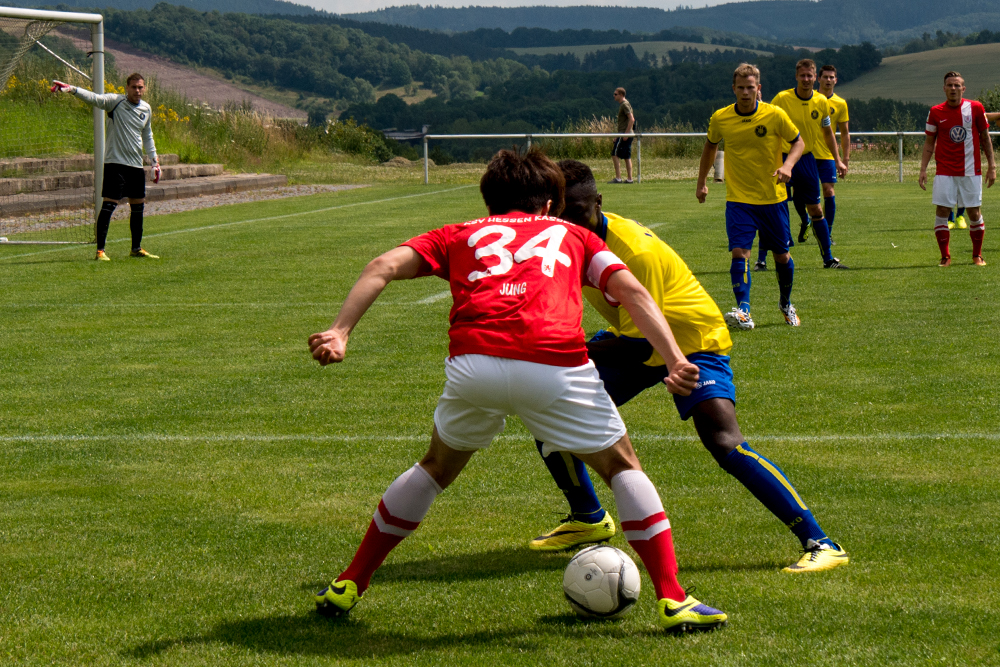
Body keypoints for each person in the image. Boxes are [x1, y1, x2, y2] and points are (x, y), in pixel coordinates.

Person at [308, 149, 728, 633]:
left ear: (489, 201)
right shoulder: (576, 235)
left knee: (436, 468)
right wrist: (675, 359)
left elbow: (382, 265)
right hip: (554, 365)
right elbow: (633, 292)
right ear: (551, 203)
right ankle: (673, 599)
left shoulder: (458, 234)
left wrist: (340, 331)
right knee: (621, 467)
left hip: (474, 366)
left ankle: (350, 583)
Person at [530, 158, 849, 575]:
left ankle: (821, 541)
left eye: (578, 211)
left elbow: (637, 342)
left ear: (598, 202)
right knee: (550, 407)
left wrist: (570, 350)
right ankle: (588, 517)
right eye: (559, 213)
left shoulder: (634, 251)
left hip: (691, 342)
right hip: (638, 340)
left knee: (723, 440)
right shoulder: (561, 242)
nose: (570, 221)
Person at [696, 63, 804, 331]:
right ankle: (744, 310)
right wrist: (701, 182)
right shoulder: (721, 118)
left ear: (759, 89)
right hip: (739, 199)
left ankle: (785, 303)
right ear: (733, 89)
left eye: (750, 87)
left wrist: (788, 165)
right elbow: (710, 147)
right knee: (739, 253)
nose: (746, 92)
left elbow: (798, 142)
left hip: (773, 198)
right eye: (741, 87)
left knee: (782, 256)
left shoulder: (774, 115)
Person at [52, 73, 160, 261]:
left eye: (140, 87)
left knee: (138, 207)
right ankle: (100, 250)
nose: (137, 91)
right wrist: (72, 89)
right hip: (115, 164)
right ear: (127, 87)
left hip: (135, 166)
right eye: (134, 87)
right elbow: (95, 98)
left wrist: (154, 161)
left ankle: (136, 248)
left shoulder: (146, 109)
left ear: (144, 88)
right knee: (109, 205)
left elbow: (148, 135)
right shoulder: (115, 102)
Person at [768, 59, 849, 270]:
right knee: (774, 206)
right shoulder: (782, 99)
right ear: (796, 77)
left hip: (806, 160)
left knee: (815, 208)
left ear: (815, 78)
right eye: (802, 75)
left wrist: (838, 159)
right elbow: (768, 126)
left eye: (809, 76)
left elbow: (828, 132)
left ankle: (828, 259)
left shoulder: (822, 102)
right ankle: (762, 259)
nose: (806, 79)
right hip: (783, 159)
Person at [919, 71, 997, 267]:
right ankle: (945, 257)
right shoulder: (935, 111)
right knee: (943, 210)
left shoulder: (976, 108)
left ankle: (977, 256)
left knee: (974, 212)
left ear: (963, 88)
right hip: (944, 171)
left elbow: (986, 138)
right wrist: (922, 169)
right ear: (944, 88)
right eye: (949, 85)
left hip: (971, 170)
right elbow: (929, 143)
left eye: (957, 85)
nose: (953, 89)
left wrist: (992, 166)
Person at [813, 64, 850, 246]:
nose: (828, 80)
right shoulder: (810, 99)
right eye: (825, 77)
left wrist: (844, 159)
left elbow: (844, 133)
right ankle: (807, 223)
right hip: (808, 154)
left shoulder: (840, 103)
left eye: (831, 77)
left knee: (828, 190)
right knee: (804, 196)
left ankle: (827, 233)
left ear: (836, 80)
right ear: (818, 79)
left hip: (828, 154)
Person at [611, 87, 635, 184]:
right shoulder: (625, 104)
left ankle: (618, 178)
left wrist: (625, 134)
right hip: (624, 134)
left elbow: (632, 119)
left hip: (625, 135)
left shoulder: (624, 105)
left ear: (621, 95)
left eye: (615, 94)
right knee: (626, 157)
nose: (614, 96)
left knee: (614, 154)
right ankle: (629, 179)